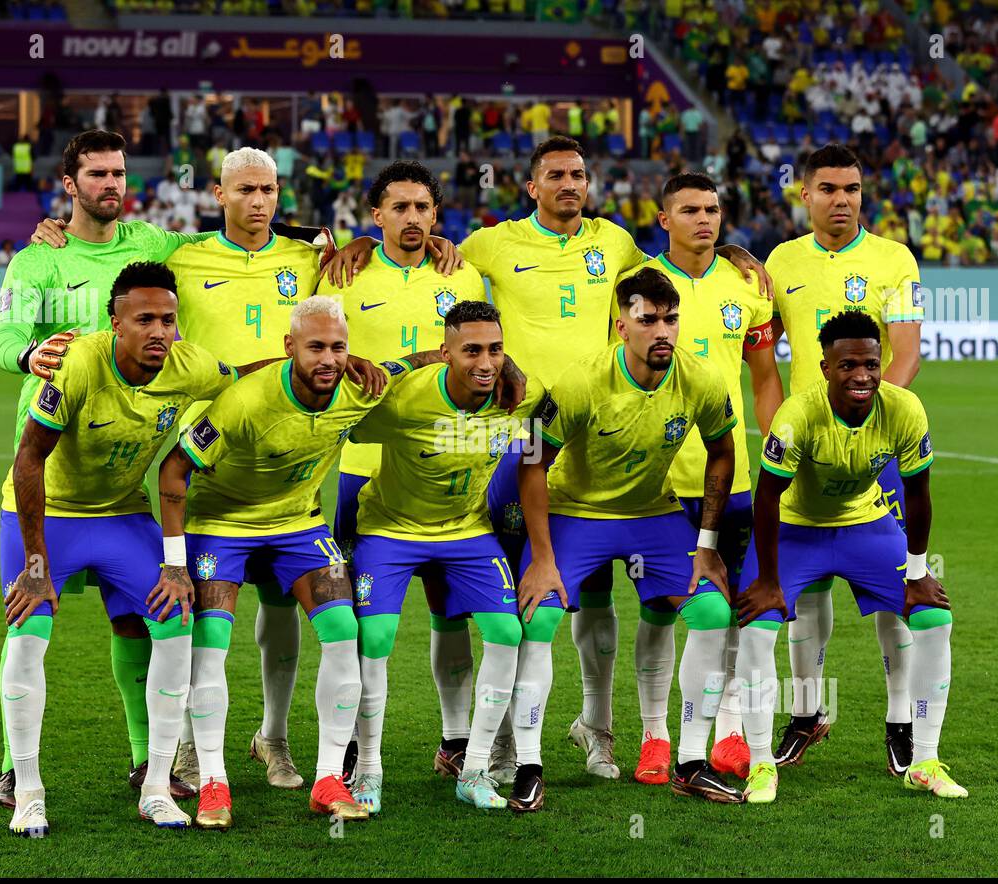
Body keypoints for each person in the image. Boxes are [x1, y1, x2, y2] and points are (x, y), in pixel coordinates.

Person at [325, 136, 771, 783]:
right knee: (492, 600)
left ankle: (588, 732)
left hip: (598, 451)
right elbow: (423, 246)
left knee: (567, 599)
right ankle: (482, 743)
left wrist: (729, 250)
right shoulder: (486, 247)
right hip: (508, 448)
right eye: (556, 174)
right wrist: (356, 244)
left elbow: (672, 262)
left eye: (580, 174)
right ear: (531, 186)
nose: (571, 183)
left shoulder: (615, 245)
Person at [0, 262, 258, 836]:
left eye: (168, 319)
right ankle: (28, 790)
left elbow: (247, 376)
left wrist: (317, 365)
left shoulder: (188, 365)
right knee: (27, 632)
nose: (159, 330)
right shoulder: (77, 364)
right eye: (144, 319)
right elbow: (28, 459)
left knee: (174, 623)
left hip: (121, 516)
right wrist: (36, 565)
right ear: (115, 322)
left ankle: (157, 785)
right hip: (48, 516)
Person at [154, 297, 392, 825]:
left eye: (338, 347)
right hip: (222, 526)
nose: (329, 359)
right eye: (315, 347)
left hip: (299, 526)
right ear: (289, 348)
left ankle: (329, 777)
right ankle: (214, 782)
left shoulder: (359, 387)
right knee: (212, 646)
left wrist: (503, 364)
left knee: (343, 632)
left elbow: (423, 360)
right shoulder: (244, 403)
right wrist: (175, 562)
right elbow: (172, 472)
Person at [513, 267, 741, 810]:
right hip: (577, 513)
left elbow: (724, 452)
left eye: (671, 319)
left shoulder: (701, 379)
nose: (662, 331)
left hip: (651, 515)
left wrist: (706, 543)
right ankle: (527, 764)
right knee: (540, 614)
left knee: (711, 614)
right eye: (648, 320)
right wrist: (542, 557)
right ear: (622, 327)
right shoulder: (582, 381)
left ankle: (688, 760)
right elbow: (531, 462)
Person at [734, 310, 963, 802]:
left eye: (871, 364)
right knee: (756, 625)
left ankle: (923, 760)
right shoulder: (797, 416)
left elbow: (919, 495)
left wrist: (918, 573)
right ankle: (759, 765)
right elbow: (768, 498)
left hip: (865, 525)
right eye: (848, 366)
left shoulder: (904, 409)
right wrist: (770, 579)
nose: (862, 375)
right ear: (825, 368)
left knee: (934, 620)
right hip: (796, 529)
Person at [609, 172, 783, 787]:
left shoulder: (746, 284)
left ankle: (730, 728)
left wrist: (775, 449)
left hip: (728, 476)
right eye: (689, 210)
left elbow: (764, 378)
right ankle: (655, 735)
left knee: (731, 610)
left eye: (712, 209)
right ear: (663, 219)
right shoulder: (635, 288)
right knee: (660, 609)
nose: (704, 220)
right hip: (656, 481)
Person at [163, 146, 328, 792]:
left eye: (268, 190)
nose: (259, 201)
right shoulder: (183, 259)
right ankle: (184, 745)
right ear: (217, 195)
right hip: (210, 457)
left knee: (281, 599)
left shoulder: (307, 258)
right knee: (207, 607)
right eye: (246, 190)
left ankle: (275, 737)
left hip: (292, 456)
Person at [317, 161, 489, 780]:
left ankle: (457, 738)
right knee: (358, 617)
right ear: (376, 216)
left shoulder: (463, 272)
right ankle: (356, 747)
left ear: (436, 216)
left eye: (423, 208)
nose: (412, 218)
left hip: (448, 463)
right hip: (359, 466)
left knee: (452, 610)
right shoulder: (344, 273)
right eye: (399, 208)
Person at [764, 144, 926, 775]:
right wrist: (782, 424)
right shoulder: (781, 261)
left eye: (852, 189)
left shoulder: (894, 258)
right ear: (804, 194)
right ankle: (807, 714)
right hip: (804, 446)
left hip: (874, 445)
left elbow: (906, 351)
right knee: (805, 590)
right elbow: (761, 353)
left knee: (898, 590)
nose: (842, 199)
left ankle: (903, 722)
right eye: (828, 188)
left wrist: (875, 424)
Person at [346, 300, 540, 814]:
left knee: (507, 633)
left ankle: (474, 769)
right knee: (377, 638)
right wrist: (406, 363)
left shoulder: (520, 395)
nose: (486, 362)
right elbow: (345, 417)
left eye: (496, 350)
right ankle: (367, 771)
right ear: (445, 352)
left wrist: (512, 368)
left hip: (467, 531)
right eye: (471, 350)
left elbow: (550, 431)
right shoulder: (405, 399)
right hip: (390, 529)